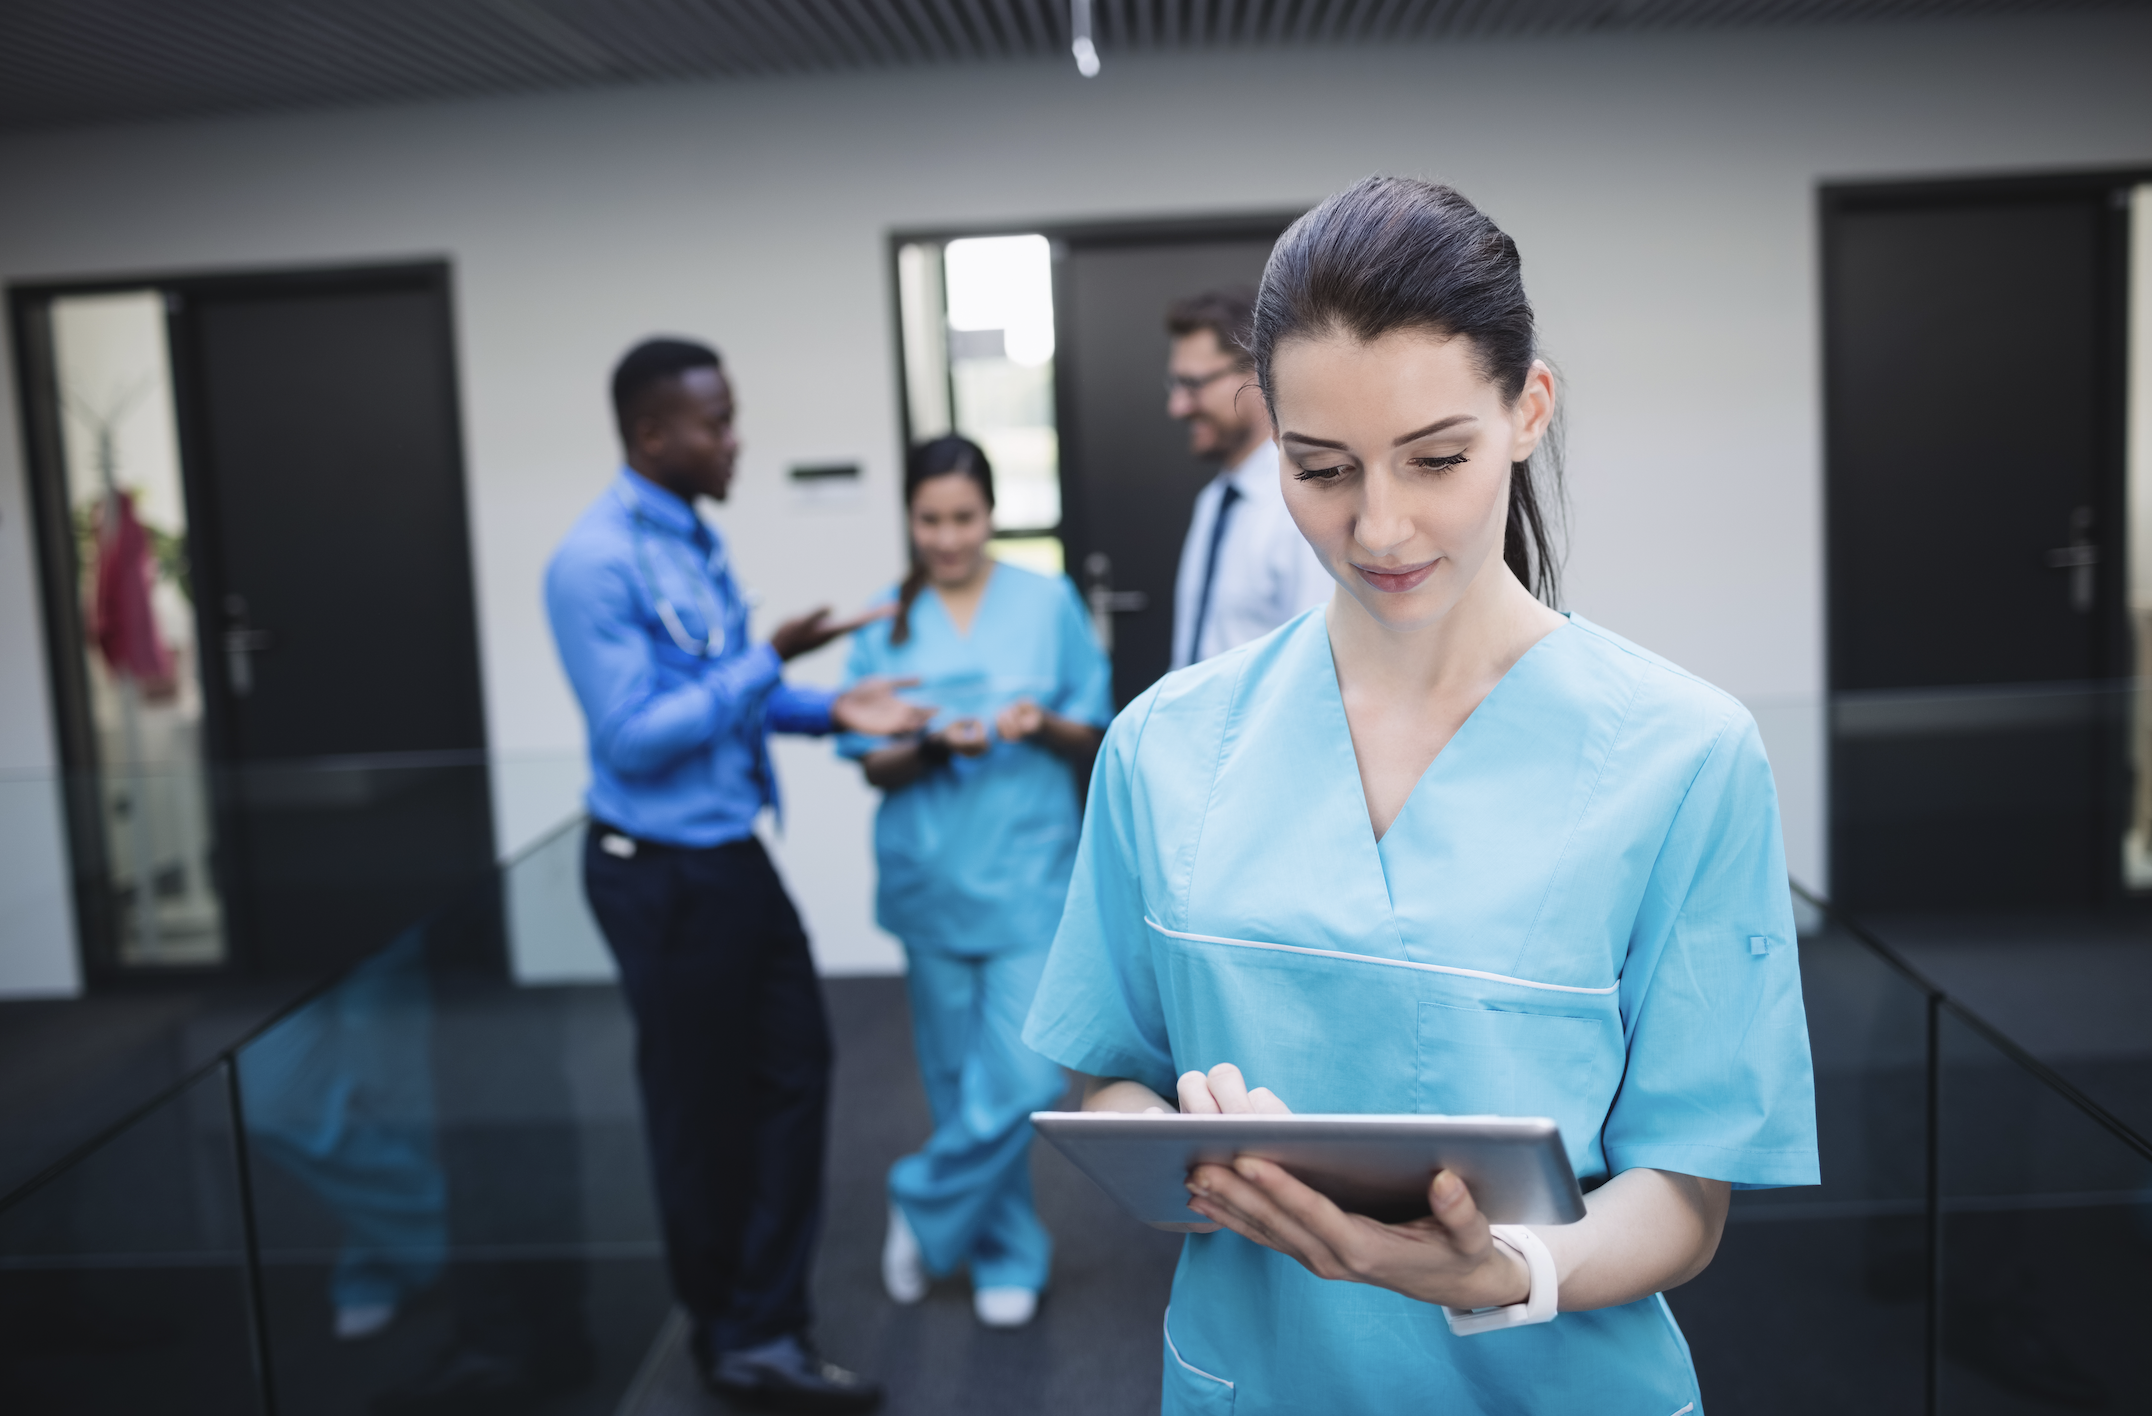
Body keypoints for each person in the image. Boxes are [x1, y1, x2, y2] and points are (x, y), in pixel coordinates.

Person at [1023, 179, 1819, 1415]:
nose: (1378, 526)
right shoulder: (1164, 748)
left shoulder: (1684, 758)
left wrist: (1507, 1266)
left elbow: (1687, 1193)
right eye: (1321, 467)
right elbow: (1108, 1075)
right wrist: (1193, 1153)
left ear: (1527, 411)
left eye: (1435, 458)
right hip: (1259, 1381)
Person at [545, 337, 930, 1414]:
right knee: (700, 1112)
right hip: (658, 874)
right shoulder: (595, 562)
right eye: (714, 423)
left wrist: (828, 709)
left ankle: (760, 1321)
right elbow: (634, 738)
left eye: (731, 416)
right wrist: (775, 657)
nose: (733, 440)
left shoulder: (688, 537)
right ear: (650, 436)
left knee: (794, 1071)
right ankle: (734, 1335)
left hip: (726, 859)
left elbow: (722, 697)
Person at [838, 436, 1112, 1330]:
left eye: (964, 517)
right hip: (930, 879)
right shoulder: (886, 620)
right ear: (909, 519)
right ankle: (1004, 1252)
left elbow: (1094, 729)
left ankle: (918, 1194)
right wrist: (926, 745)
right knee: (959, 1086)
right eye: (930, 519)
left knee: (1028, 1079)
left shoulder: (1047, 602)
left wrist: (1040, 725)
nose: (948, 537)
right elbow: (871, 762)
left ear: (990, 514)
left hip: (1028, 877)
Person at [1165, 287, 1332, 668]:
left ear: (1257, 375)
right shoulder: (1216, 500)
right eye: (1175, 385)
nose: (1177, 407)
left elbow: (1317, 663)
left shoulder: (1303, 504)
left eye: (1193, 385)